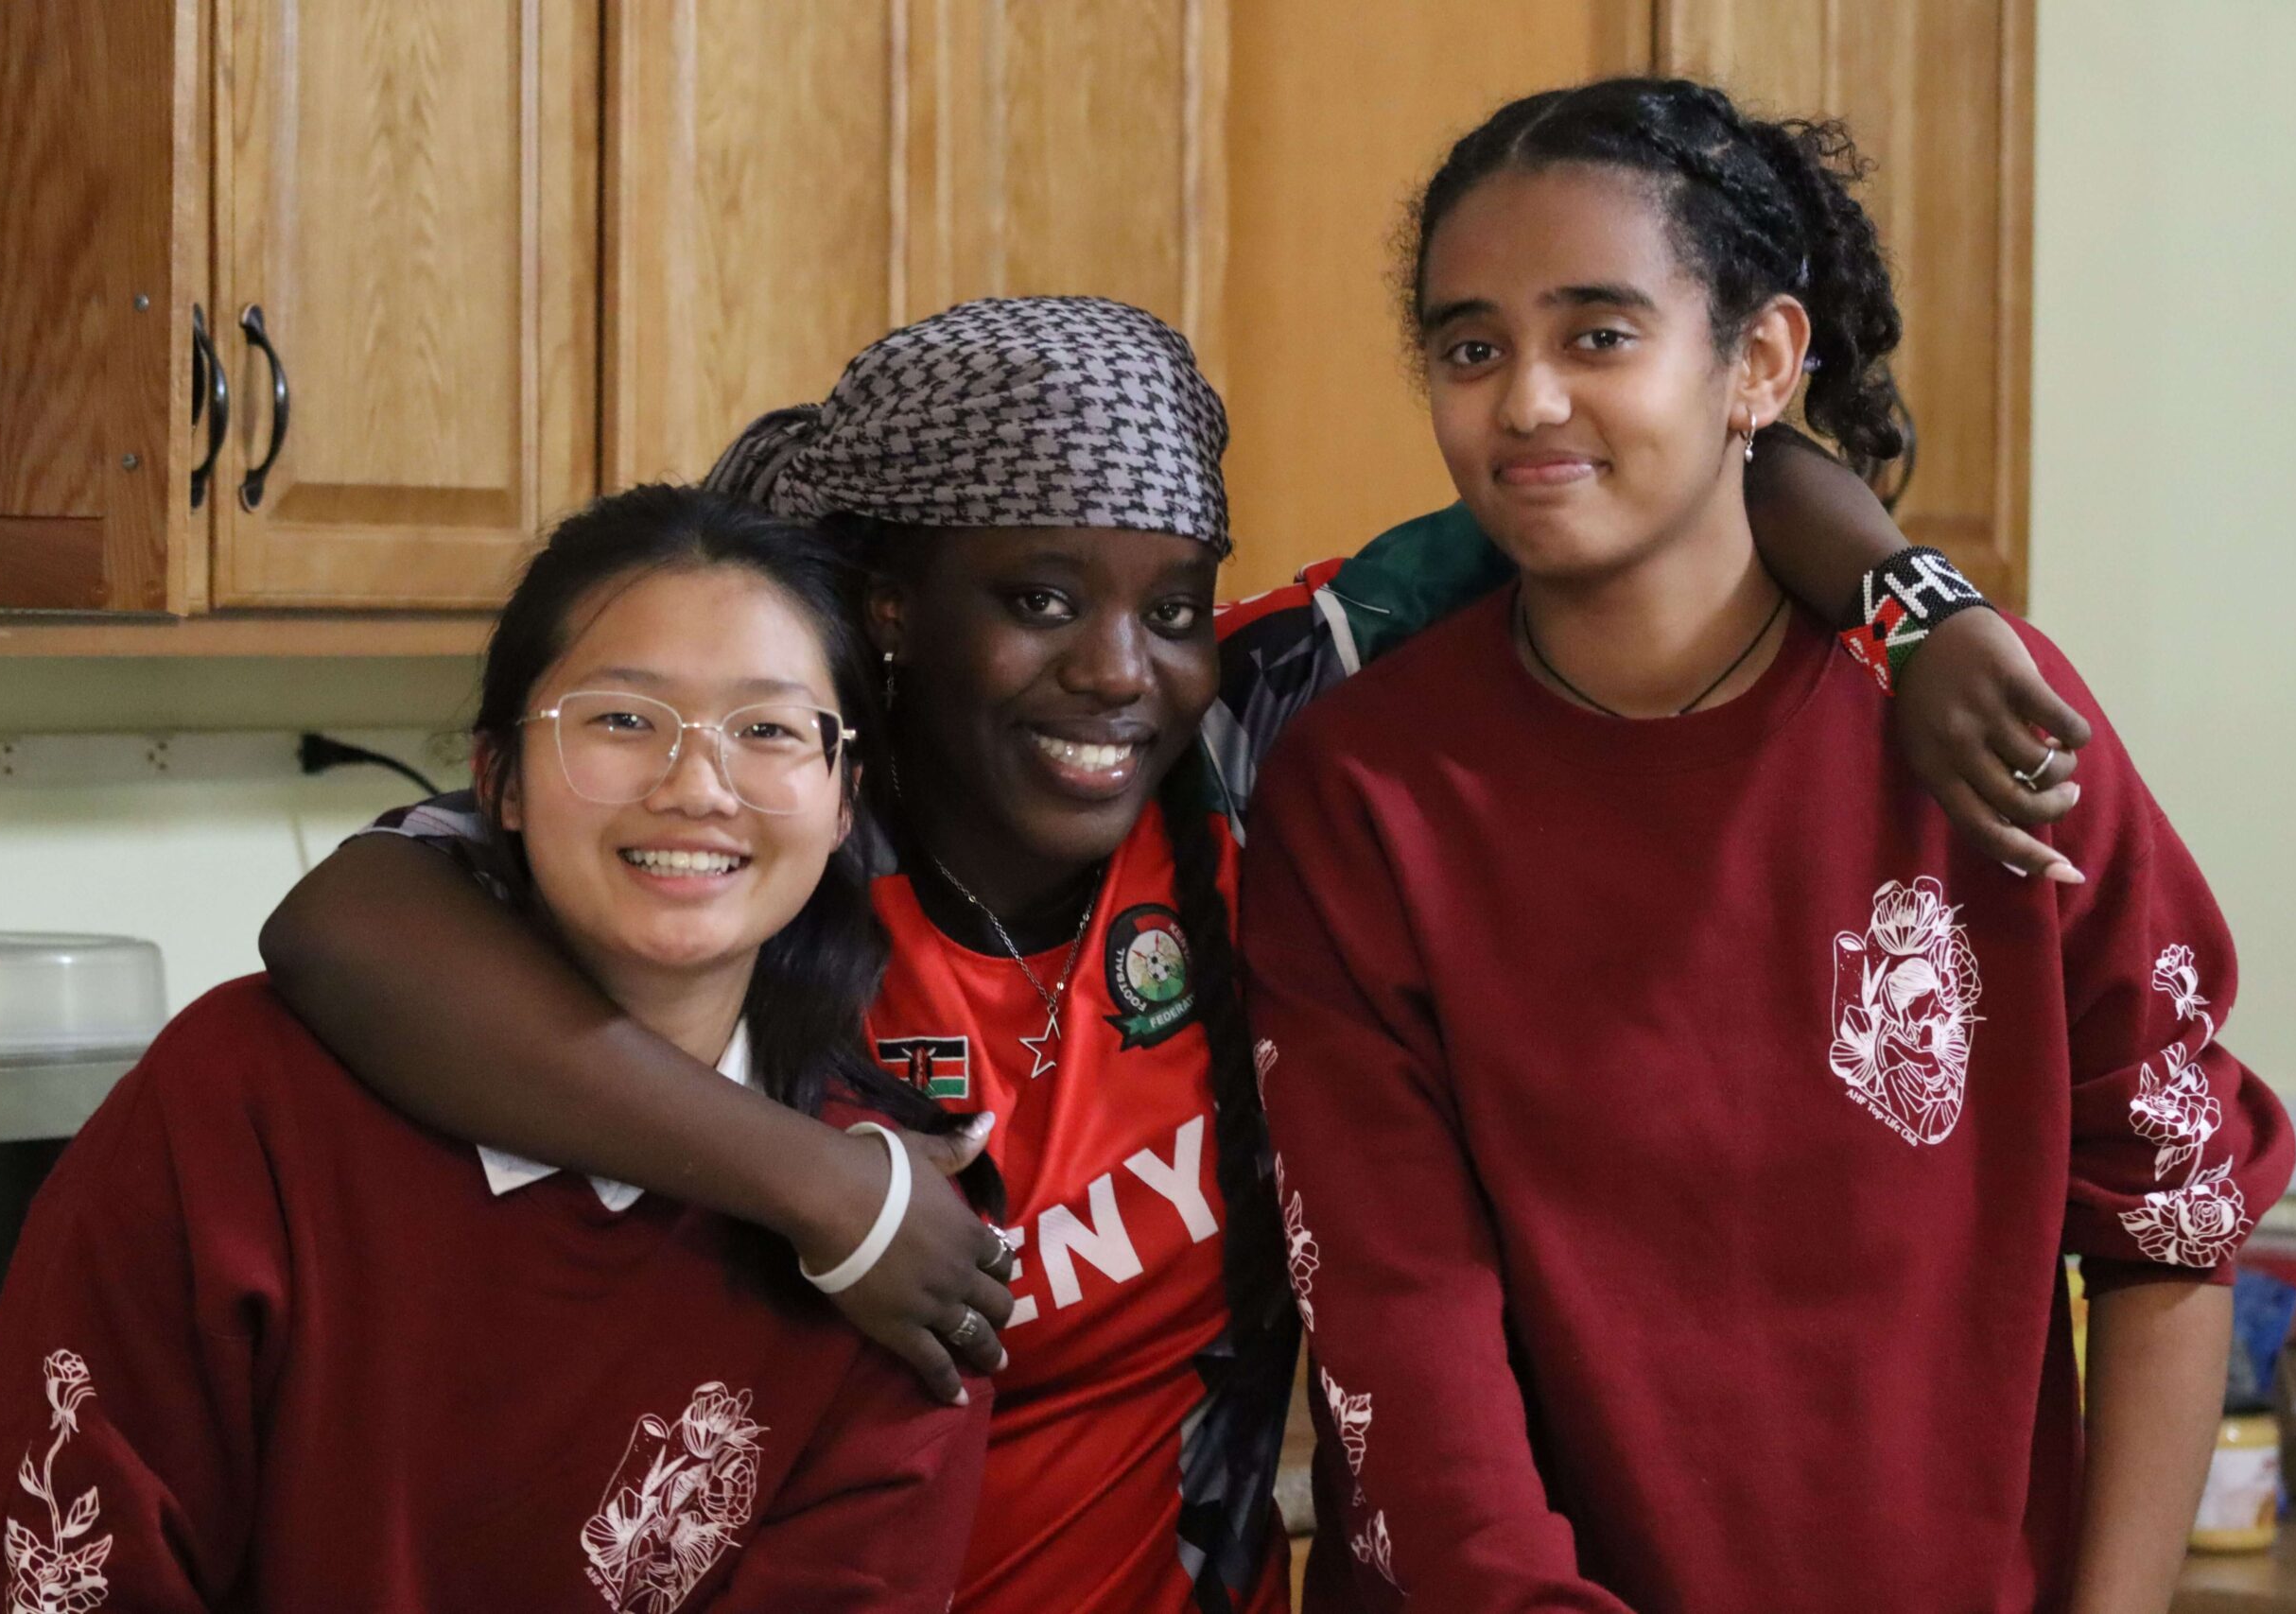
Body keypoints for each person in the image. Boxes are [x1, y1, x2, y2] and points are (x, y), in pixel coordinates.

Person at [255, 295, 2093, 1614]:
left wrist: (1906, 598)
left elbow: (1663, 463)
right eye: (1038, 599)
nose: (1118, 668)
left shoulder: (1250, 747)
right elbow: (348, 915)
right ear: (887, 613)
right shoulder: (755, 819)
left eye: (1171, 601)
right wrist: (827, 1188)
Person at [1240, 78, 2296, 1614]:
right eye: (1472, 347)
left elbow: (2173, 1214)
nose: (1526, 398)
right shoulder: (1362, 790)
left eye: (1597, 333)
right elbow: (1404, 1324)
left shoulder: (1985, 723)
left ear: (1760, 361)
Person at [0, 486, 991, 1612]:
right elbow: (65, 1567)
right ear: (495, 779)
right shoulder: (239, 1107)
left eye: (770, 731)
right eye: (620, 720)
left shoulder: (902, 1247)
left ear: (844, 800)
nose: (696, 785)